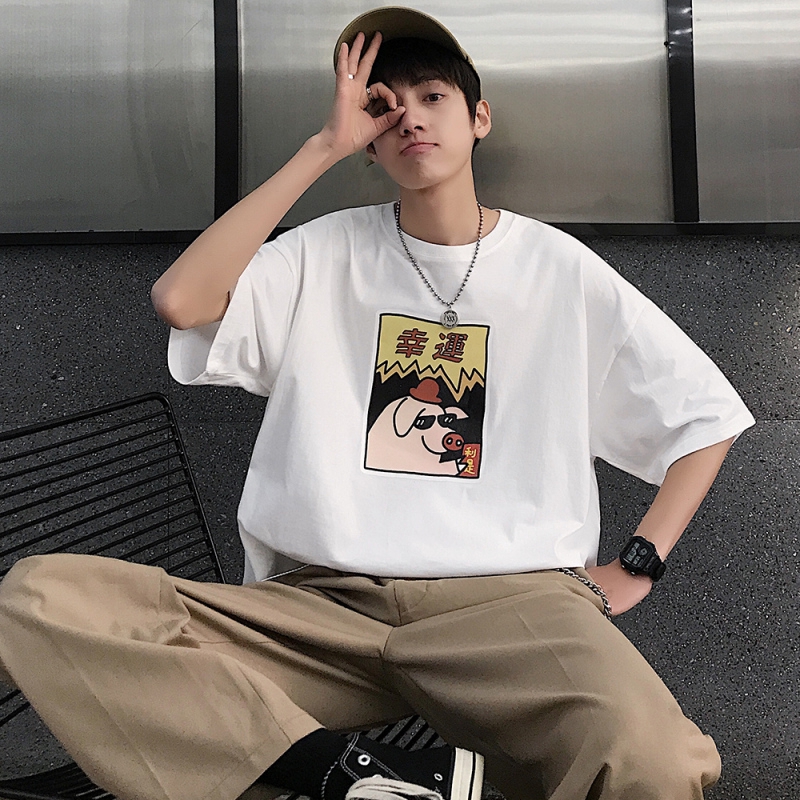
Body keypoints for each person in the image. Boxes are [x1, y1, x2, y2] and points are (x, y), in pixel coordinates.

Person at [0, 7, 755, 800]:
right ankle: (360, 780)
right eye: (385, 107)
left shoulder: (557, 269)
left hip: (510, 605)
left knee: (655, 760)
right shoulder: (323, 251)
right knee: (43, 599)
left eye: (432, 97)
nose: (411, 119)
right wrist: (322, 147)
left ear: (479, 117)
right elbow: (181, 301)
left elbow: (704, 416)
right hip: (321, 608)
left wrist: (638, 563)